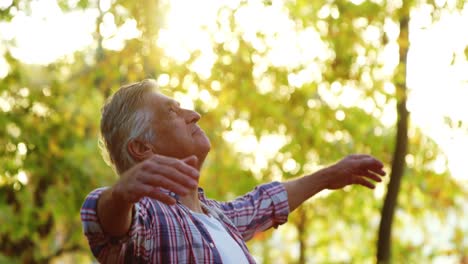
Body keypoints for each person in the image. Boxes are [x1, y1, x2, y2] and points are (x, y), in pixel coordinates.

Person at [80, 79, 386, 263]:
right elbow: (105, 224)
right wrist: (121, 194)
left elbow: (264, 202)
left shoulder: (218, 218)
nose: (194, 114)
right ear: (142, 148)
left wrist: (330, 176)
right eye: (173, 111)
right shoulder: (150, 219)